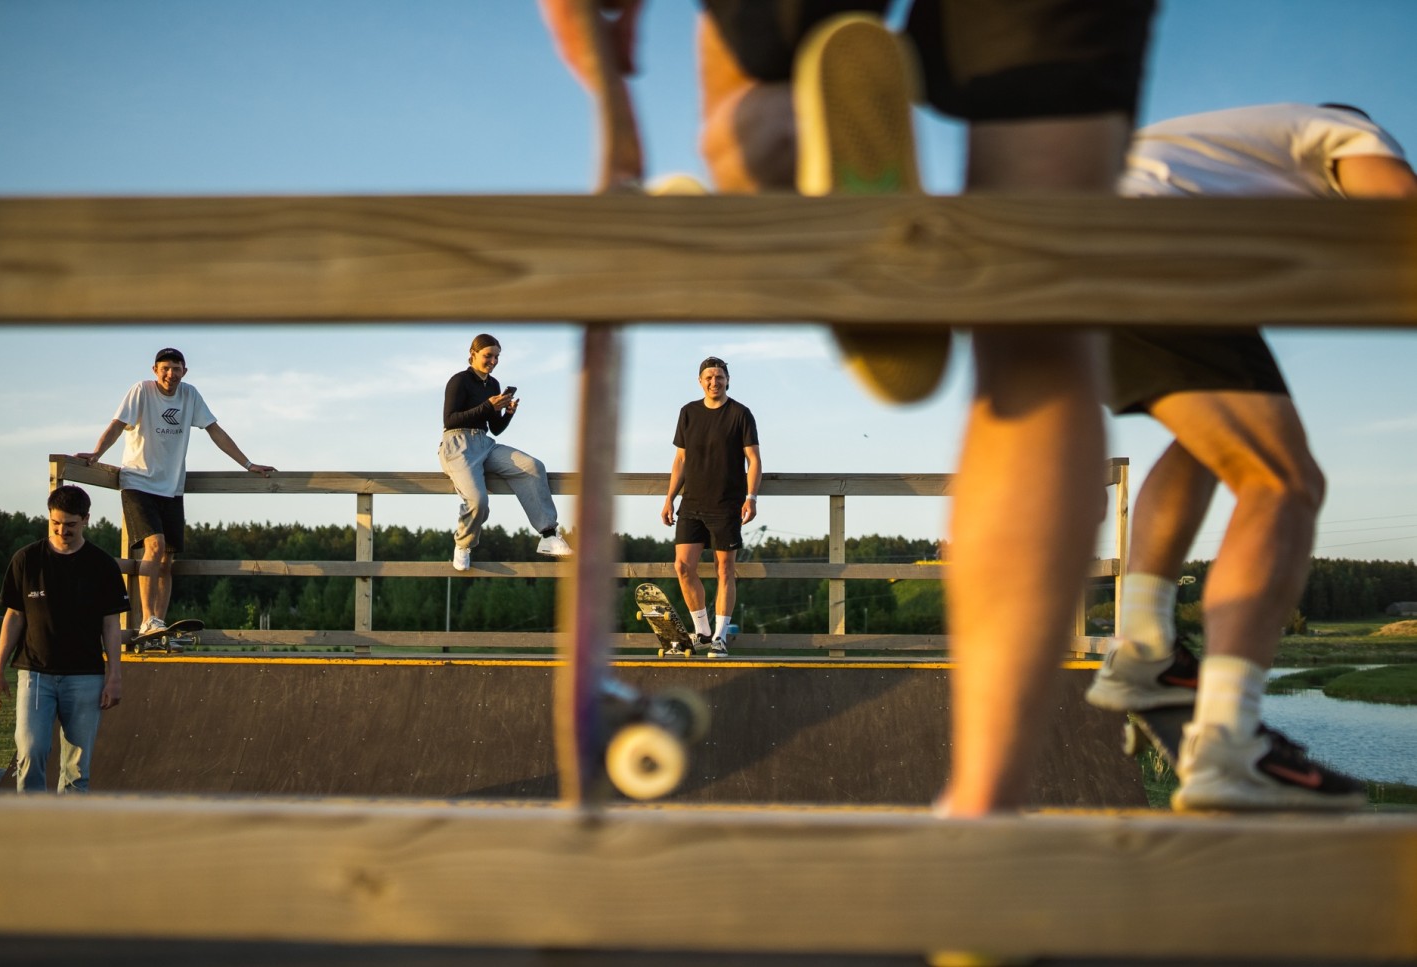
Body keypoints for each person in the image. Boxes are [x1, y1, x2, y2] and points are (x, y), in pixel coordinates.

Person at [544, 0, 1155, 813]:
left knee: (746, 122)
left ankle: (793, 171)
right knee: (1041, 328)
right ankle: (989, 803)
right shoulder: (698, 414)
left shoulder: (731, 411)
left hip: (720, 492)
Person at [1085, 103, 1417, 810]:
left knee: (1212, 445)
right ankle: (1228, 744)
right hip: (1153, 244)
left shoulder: (1231, 149)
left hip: (1073, 245)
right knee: (1283, 481)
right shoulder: (1347, 130)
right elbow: (1398, 215)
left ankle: (1142, 646)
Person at [78, 347, 275, 638]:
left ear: (185, 371)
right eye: (165, 368)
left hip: (171, 488)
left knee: (167, 558)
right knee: (154, 547)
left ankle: (158, 624)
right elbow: (117, 425)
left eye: (176, 368)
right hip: (138, 481)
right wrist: (96, 453)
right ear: (155, 370)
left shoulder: (190, 395)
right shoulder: (141, 391)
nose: (171, 374)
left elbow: (215, 431)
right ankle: (146, 619)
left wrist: (247, 464)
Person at [0, 485, 129, 792]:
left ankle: (69, 832)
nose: (62, 530)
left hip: (85, 677)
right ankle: (31, 827)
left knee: (77, 767)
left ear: (86, 520)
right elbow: (14, 616)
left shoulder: (102, 566)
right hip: (35, 673)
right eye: (56, 523)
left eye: (70, 525)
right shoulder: (26, 560)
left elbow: (111, 624)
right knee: (31, 751)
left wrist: (114, 676)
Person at [439, 333, 573, 571]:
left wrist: (507, 413)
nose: (493, 361)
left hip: (484, 443)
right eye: (488, 356)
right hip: (457, 444)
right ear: (473, 354)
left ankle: (548, 535)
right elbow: (450, 420)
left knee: (533, 466)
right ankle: (463, 544)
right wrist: (488, 406)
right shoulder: (459, 381)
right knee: (479, 501)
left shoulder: (493, 384)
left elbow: (495, 429)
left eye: (497, 357)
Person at [661, 356, 761, 657]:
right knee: (682, 566)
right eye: (708, 377)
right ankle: (702, 631)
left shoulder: (740, 414)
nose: (714, 382)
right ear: (700, 381)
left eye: (719, 377)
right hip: (691, 503)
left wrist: (751, 498)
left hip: (726, 504)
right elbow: (680, 459)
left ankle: (719, 638)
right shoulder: (688, 413)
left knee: (724, 570)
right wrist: (669, 498)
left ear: (727, 380)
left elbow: (753, 460)